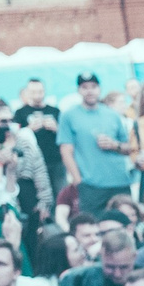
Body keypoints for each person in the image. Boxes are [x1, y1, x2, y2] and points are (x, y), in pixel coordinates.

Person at [57, 74, 135, 208]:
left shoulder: (112, 114)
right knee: (93, 226)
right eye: (85, 87)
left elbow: (129, 148)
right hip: (90, 185)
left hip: (120, 182)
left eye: (93, 87)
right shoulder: (69, 116)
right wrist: (78, 182)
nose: (89, 91)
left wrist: (114, 145)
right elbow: (66, 152)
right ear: (79, 90)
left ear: (99, 89)